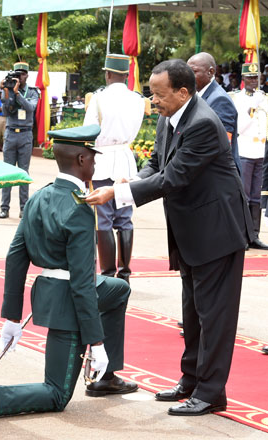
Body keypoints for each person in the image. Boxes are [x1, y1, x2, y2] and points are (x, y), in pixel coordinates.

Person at [86, 59, 252, 416]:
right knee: (192, 313)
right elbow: (157, 164)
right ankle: (190, 380)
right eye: (151, 93)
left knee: (214, 317)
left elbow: (173, 177)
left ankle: (210, 392)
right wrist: (128, 181)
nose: (154, 101)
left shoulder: (204, 124)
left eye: (159, 95)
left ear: (182, 91)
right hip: (192, 230)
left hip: (217, 231)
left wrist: (119, 193)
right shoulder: (169, 117)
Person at [0, 125, 135, 417]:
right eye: (93, 157)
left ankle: (105, 378)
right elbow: (82, 283)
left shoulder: (38, 198)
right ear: (82, 160)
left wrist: (12, 317)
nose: (95, 163)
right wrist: (96, 342)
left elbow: (16, 257)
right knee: (56, 394)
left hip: (47, 294)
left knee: (118, 289)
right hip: (69, 305)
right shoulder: (79, 208)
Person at [83, 54, 145, 282]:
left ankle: (108, 274)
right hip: (125, 161)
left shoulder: (98, 99)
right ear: (126, 75)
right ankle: (125, 274)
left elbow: (88, 133)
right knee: (125, 219)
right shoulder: (138, 99)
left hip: (102, 161)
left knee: (104, 220)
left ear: (107, 74)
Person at [229, 63, 268, 249]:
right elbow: (240, 127)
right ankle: (241, 235)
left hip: (260, 151)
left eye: (256, 77)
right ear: (243, 79)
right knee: (243, 195)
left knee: (257, 196)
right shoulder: (238, 99)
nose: (254, 81)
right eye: (250, 78)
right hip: (245, 150)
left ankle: (255, 235)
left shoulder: (264, 97)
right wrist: (252, 108)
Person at [187, 53, 241, 175]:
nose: (188, 77)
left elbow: (220, 143)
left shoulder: (219, 99)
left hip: (218, 176)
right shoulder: (198, 96)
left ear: (210, 72)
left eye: (193, 72)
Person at [0, 62, 39, 219]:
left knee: (23, 172)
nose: (18, 77)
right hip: (10, 134)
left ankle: (24, 208)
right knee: (7, 173)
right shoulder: (8, 88)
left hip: (25, 135)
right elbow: (6, 111)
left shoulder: (33, 92)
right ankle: (4, 207)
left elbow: (30, 108)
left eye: (21, 74)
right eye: (16, 74)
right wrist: (5, 91)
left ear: (27, 75)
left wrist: (17, 94)